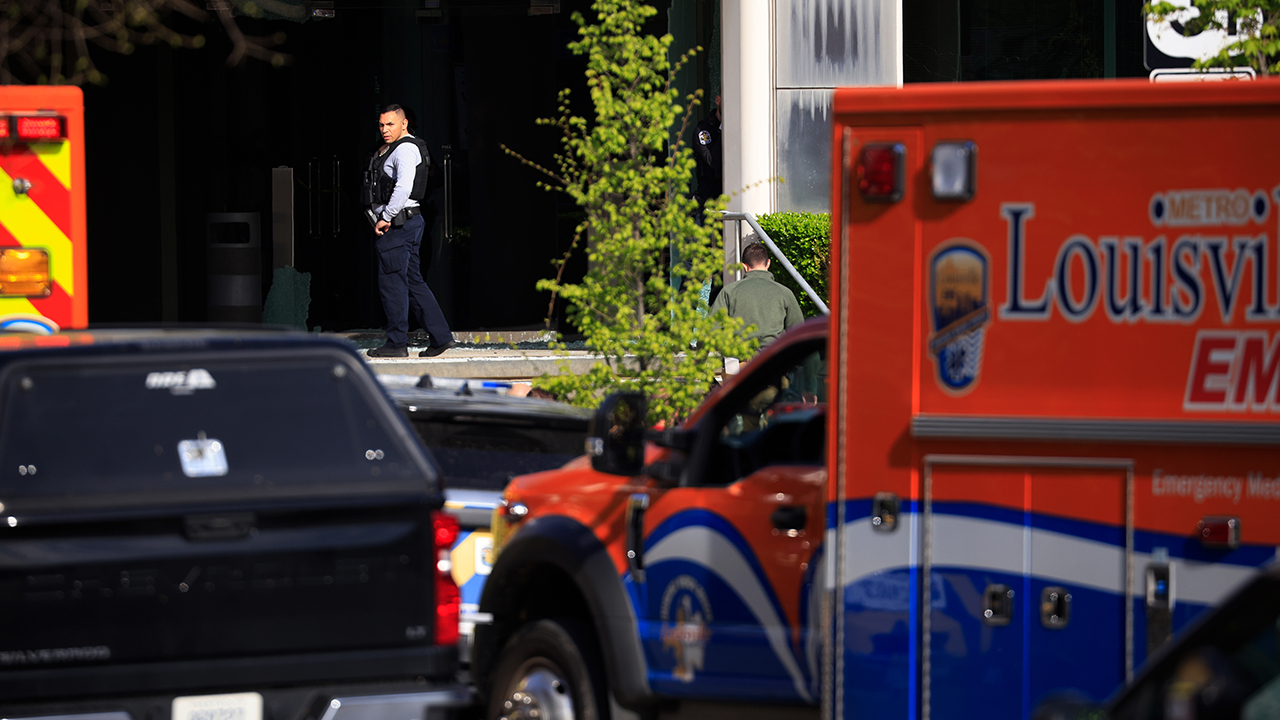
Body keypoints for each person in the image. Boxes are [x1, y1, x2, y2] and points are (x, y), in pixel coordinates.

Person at [367, 104, 454, 358]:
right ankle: (440, 337)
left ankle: (396, 344)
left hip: (399, 225)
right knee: (413, 282)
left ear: (404, 124)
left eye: (390, 124)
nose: (385, 130)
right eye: (382, 125)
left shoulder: (404, 149)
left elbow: (403, 187)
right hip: (407, 223)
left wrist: (385, 216)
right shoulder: (397, 147)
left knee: (393, 284)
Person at [710, 240, 803, 349]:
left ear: (744, 266)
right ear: (768, 263)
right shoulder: (785, 292)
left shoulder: (729, 291)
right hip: (774, 358)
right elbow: (799, 332)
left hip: (740, 359)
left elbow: (711, 330)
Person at [693, 94, 722, 207]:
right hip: (709, 199)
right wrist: (725, 127)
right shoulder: (704, 129)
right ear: (718, 100)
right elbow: (713, 160)